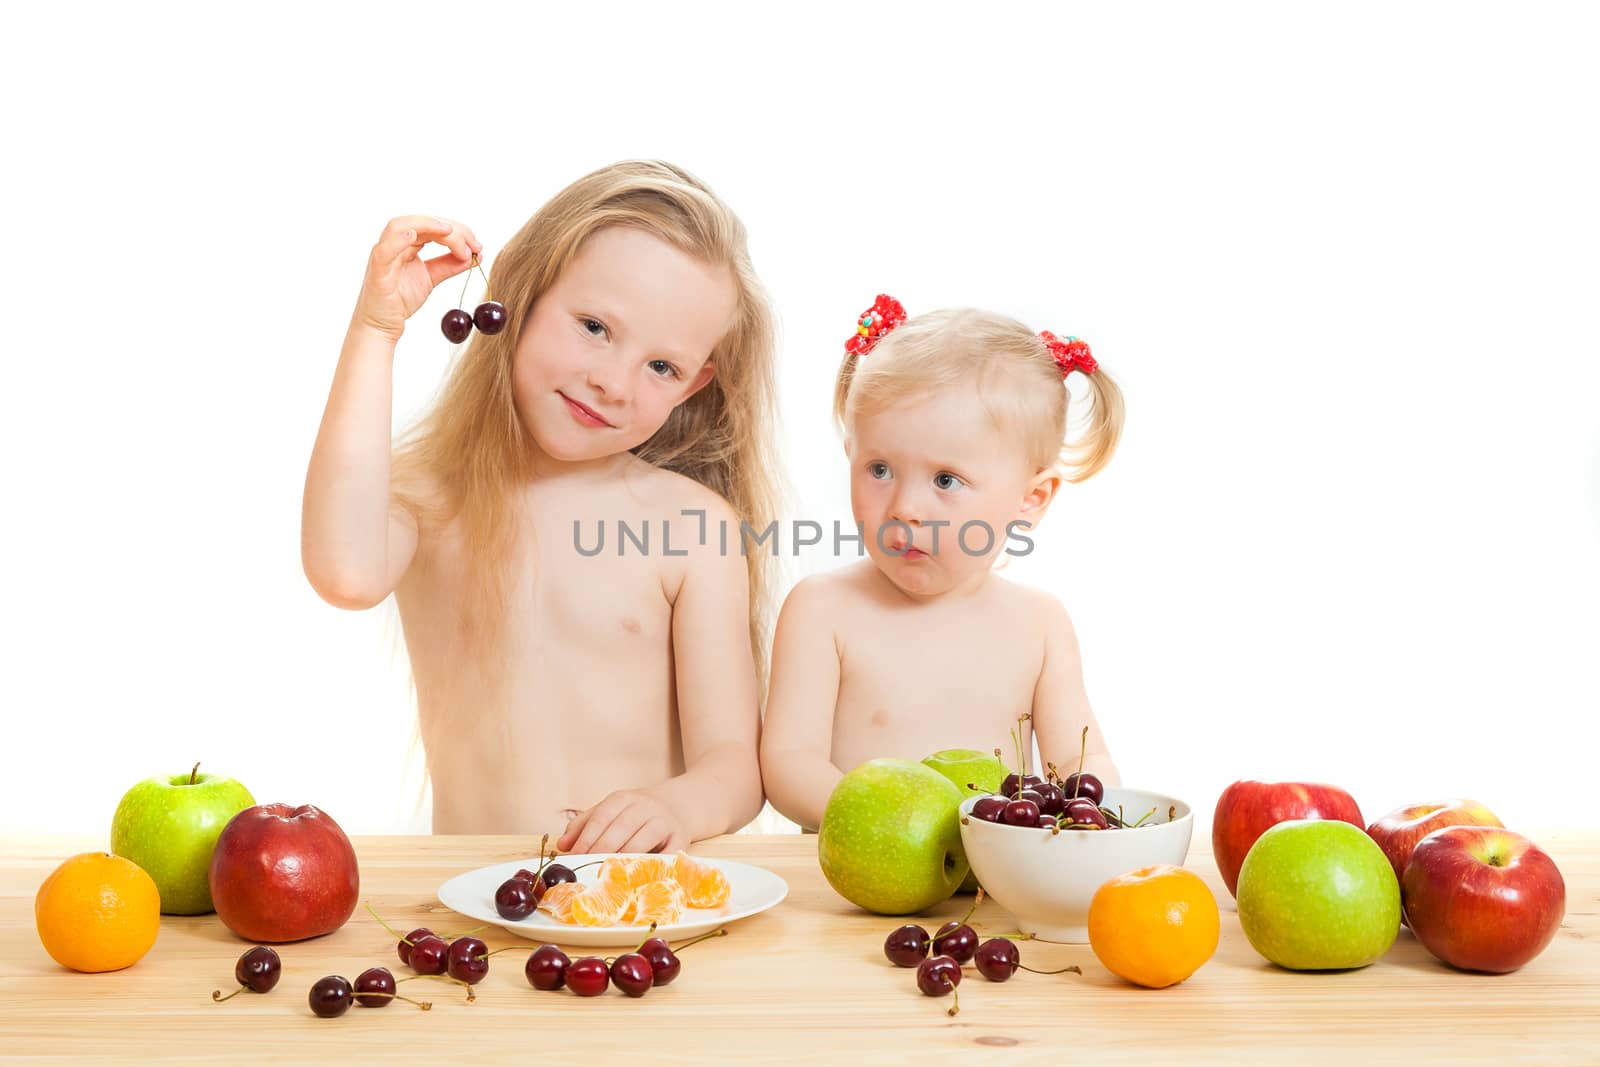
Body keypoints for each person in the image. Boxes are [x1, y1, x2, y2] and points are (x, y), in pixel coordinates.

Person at [302, 161, 782, 852]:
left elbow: (734, 766)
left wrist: (674, 806)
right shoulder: (428, 498)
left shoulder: (694, 526)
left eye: (662, 367)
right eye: (594, 325)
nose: (612, 381)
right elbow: (344, 573)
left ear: (694, 384)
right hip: (472, 909)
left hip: (636, 913)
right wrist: (377, 330)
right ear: (522, 292)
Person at [760, 295, 1124, 831]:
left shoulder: (1038, 624)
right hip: (859, 890)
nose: (905, 507)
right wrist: (893, 819)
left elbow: (1077, 761)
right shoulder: (822, 610)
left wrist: (1095, 814)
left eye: (946, 480)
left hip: (997, 886)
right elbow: (790, 765)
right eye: (879, 469)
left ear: (1032, 498)